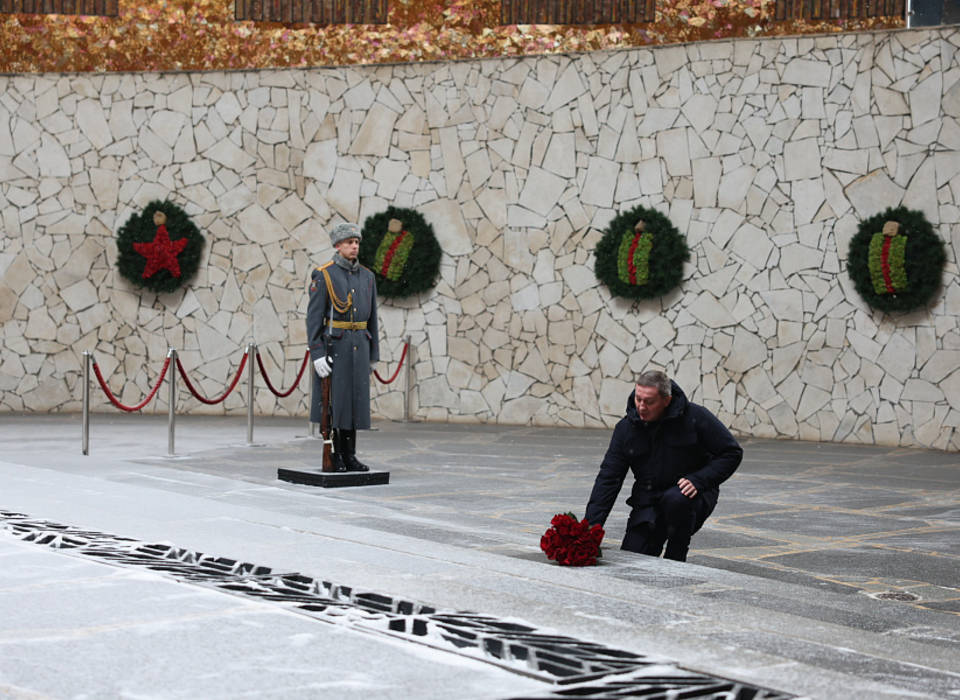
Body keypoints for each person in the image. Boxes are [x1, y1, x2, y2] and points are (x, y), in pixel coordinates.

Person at [585, 370, 742, 562]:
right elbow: (608, 479)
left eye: (649, 402)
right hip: (649, 500)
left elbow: (731, 452)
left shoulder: (696, 416)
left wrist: (699, 480)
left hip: (692, 496)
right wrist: (589, 531)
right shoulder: (626, 429)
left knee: (676, 499)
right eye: (638, 399)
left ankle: (677, 555)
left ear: (666, 400)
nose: (641, 407)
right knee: (632, 559)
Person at [307, 222, 380, 472]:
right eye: (349, 242)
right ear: (338, 246)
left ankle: (350, 455)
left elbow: (372, 320)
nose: (354, 246)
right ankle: (334, 454)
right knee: (335, 404)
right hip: (334, 349)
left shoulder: (367, 277)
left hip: (359, 346)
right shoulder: (324, 274)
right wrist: (317, 353)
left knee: (354, 404)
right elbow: (314, 318)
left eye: (357, 242)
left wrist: (372, 355)